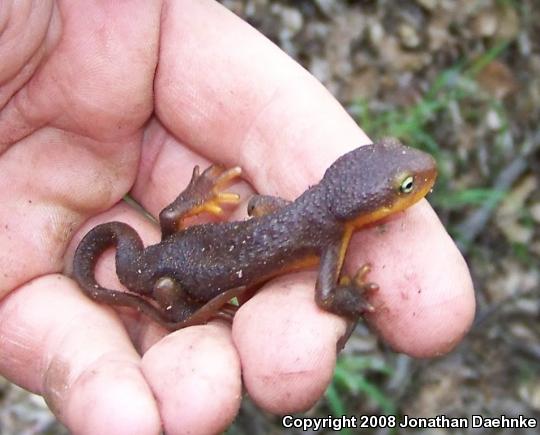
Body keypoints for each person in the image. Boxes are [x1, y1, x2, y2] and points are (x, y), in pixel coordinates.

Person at [0, 1, 475, 434]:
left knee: (188, 245)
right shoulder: (330, 235)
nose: (415, 180)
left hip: (174, 245)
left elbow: (258, 208)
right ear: (363, 203)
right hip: (173, 277)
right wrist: (354, 296)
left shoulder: (321, 221)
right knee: (168, 287)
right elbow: (327, 295)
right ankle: (177, 312)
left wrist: (201, 205)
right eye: (404, 189)